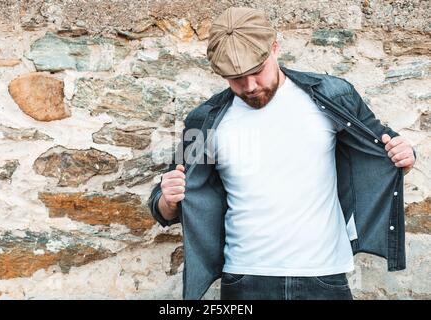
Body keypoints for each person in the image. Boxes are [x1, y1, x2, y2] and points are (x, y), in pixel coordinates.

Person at [148, 7, 416, 300]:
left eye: (256, 72)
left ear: (275, 48)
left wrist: (405, 155)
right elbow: (163, 205)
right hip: (245, 279)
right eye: (236, 78)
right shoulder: (204, 121)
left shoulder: (332, 96)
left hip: (324, 275)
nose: (249, 87)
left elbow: (383, 145)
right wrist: (168, 200)